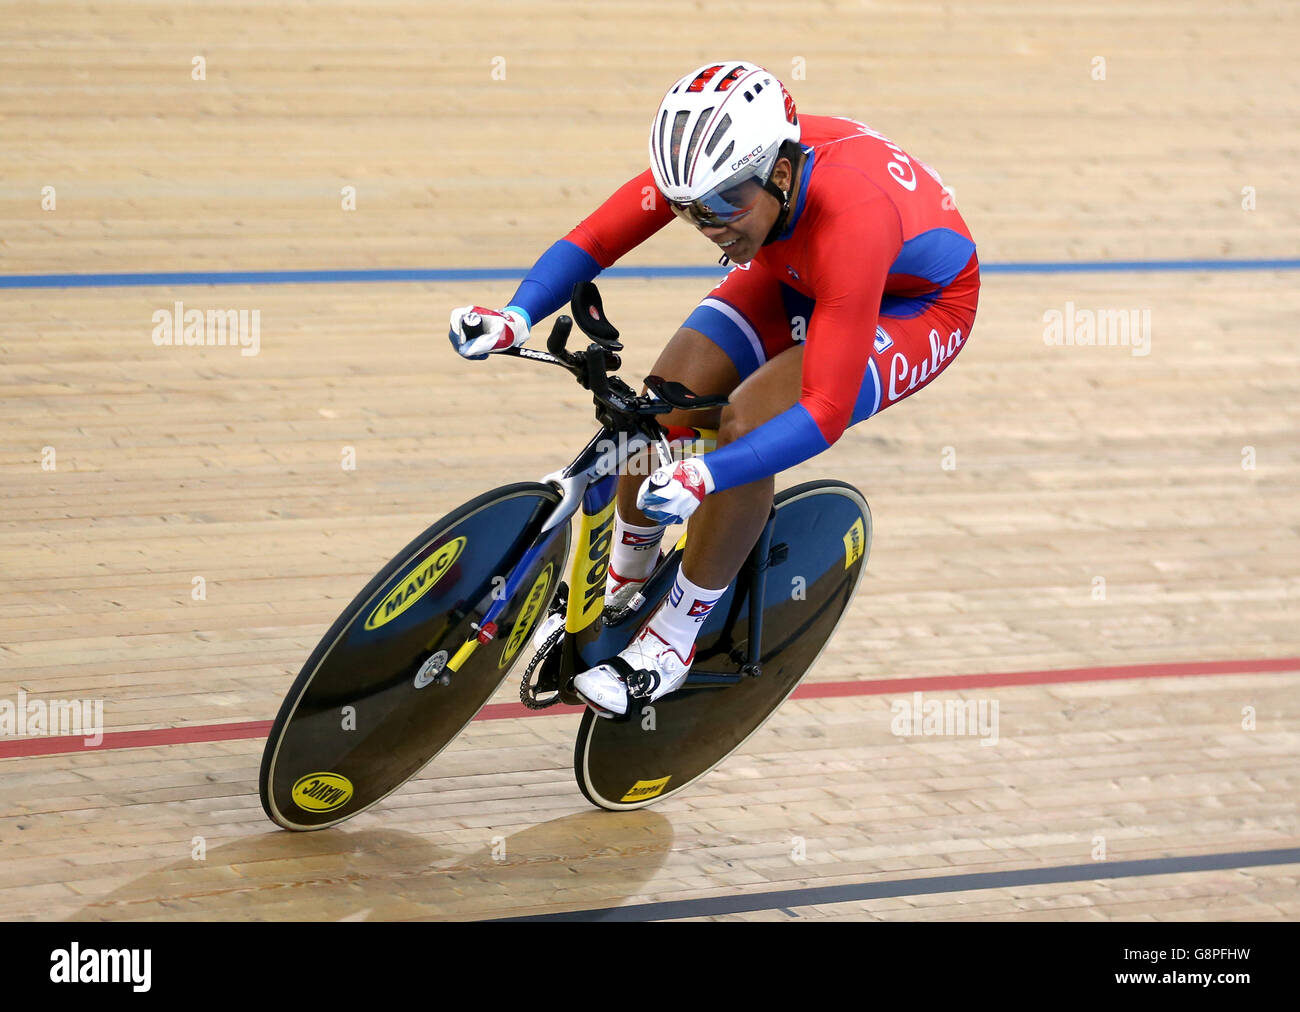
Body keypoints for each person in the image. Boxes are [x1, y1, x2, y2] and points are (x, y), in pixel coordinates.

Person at [449, 61, 979, 717]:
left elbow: (824, 412)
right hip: (794, 264)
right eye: (688, 211)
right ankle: (625, 583)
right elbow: (595, 238)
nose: (710, 226)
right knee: (664, 400)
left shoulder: (853, 216)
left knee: (748, 425)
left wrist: (708, 475)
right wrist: (516, 314)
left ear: (779, 172)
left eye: (724, 206)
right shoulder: (714, 167)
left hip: (914, 304)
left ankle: (674, 639)